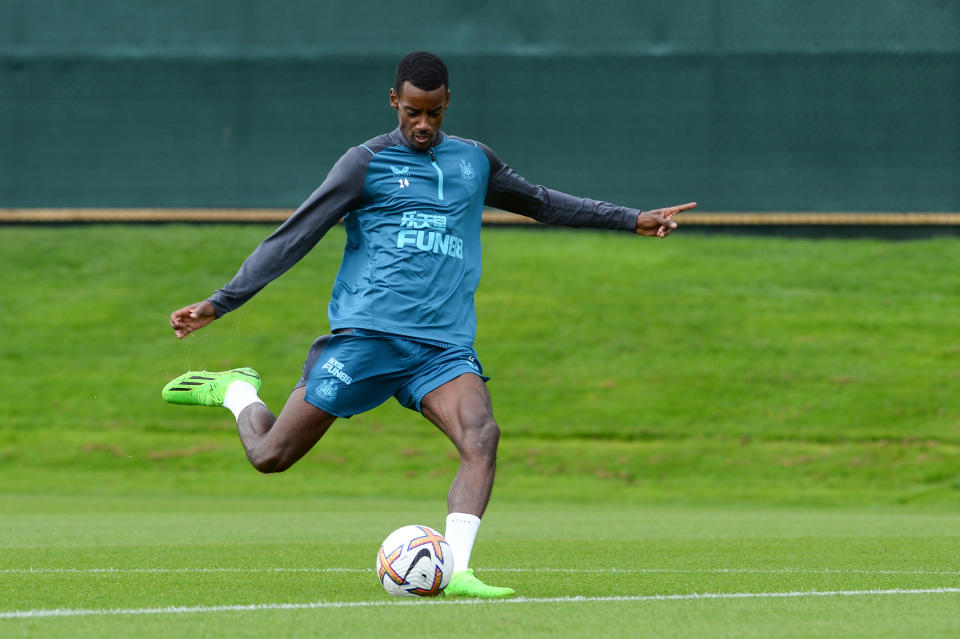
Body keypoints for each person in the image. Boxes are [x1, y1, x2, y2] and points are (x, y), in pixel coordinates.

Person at [163, 51, 696, 598]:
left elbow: (541, 202)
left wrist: (630, 218)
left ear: (447, 105)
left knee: (481, 435)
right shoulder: (363, 164)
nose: (423, 124)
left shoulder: (473, 162)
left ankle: (458, 570)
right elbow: (294, 236)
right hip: (367, 337)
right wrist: (220, 303)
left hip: (441, 348)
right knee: (271, 457)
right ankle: (237, 392)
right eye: (413, 112)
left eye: (434, 113)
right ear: (395, 101)